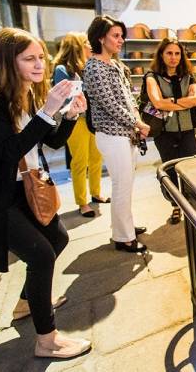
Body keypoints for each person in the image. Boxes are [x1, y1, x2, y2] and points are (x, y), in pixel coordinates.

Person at [0, 28, 91, 359]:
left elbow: (52, 141)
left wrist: (69, 117)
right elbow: (10, 149)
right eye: (29, 58)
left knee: (57, 240)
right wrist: (49, 110)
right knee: (41, 254)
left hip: (25, 186)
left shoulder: (26, 93)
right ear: (6, 60)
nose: (39, 64)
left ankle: (26, 303)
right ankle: (47, 340)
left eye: (41, 57)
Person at [83, 15, 150, 253]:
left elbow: (128, 99)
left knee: (126, 184)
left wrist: (137, 122)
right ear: (101, 37)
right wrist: (138, 123)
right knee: (122, 185)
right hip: (112, 135)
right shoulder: (94, 67)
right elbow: (110, 105)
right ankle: (123, 238)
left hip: (126, 132)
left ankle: (125, 227)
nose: (121, 40)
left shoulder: (116, 65)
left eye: (122, 35)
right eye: (115, 35)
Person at [144, 39, 196, 224]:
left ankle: (191, 204)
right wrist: (181, 102)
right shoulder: (152, 76)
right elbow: (157, 103)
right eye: (169, 53)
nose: (173, 57)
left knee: (191, 168)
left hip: (187, 129)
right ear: (161, 54)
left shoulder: (189, 76)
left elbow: (195, 100)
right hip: (164, 132)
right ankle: (175, 205)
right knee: (168, 169)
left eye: (177, 53)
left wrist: (171, 102)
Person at [52, 32, 107, 217]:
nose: (90, 46)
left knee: (96, 158)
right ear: (76, 46)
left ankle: (96, 193)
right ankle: (82, 202)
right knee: (80, 161)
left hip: (92, 119)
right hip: (75, 120)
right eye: (86, 43)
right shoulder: (62, 69)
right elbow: (66, 96)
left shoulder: (88, 66)